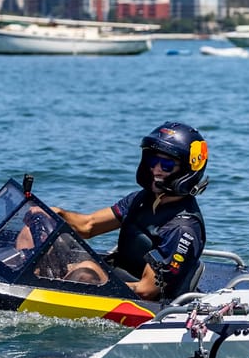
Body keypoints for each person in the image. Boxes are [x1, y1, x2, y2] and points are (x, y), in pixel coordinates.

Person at [50, 121, 209, 301]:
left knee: (86, 272)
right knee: (51, 233)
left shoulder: (182, 228)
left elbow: (146, 290)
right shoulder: (140, 199)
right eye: (152, 160)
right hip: (118, 274)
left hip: (146, 303)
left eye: (166, 164)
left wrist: (92, 279)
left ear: (188, 170)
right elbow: (88, 226)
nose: (156, 169)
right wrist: (55, 215)